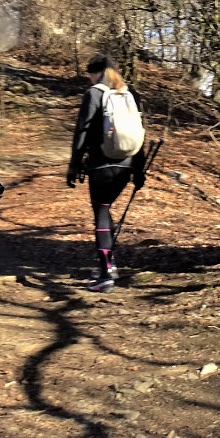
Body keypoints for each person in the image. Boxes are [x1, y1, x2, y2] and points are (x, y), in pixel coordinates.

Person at [66, 53, 146, 292]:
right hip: (127, 163)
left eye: (90, 74)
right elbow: (142, 133)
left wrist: (74, 164)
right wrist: (139, 171)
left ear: (96, 72)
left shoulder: (94, 94)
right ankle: (109, 264)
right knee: (106, 209)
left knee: (101, 212)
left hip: (102, 163)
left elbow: (82, 131)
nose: (89, 79)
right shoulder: (130, 94)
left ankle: (104, 276)